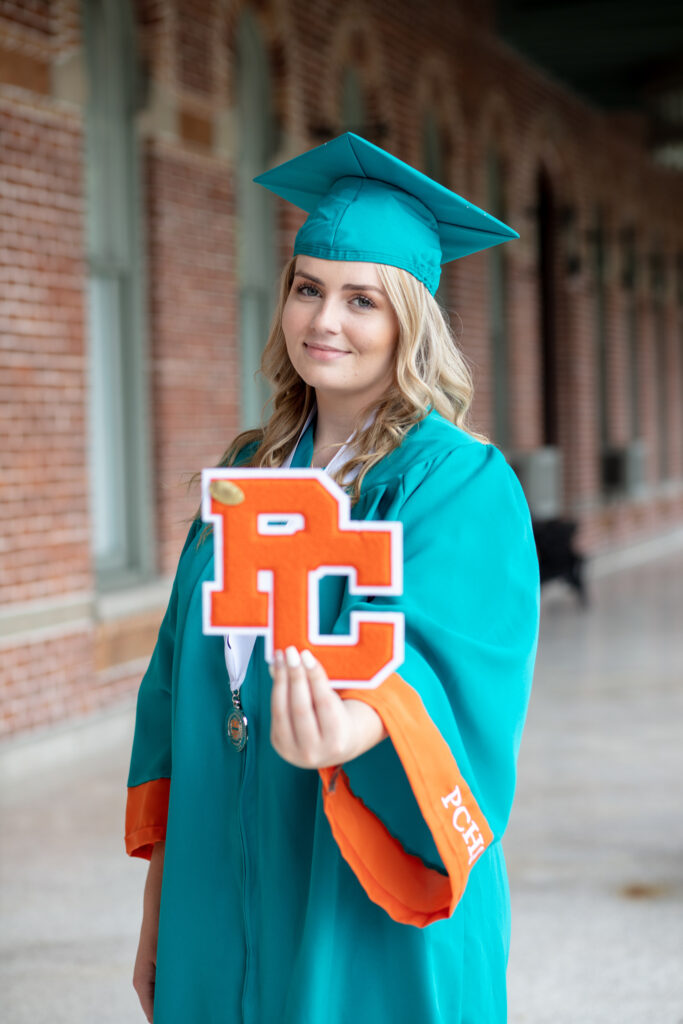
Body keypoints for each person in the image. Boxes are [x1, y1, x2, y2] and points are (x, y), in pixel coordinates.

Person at [125, 132, 541, 1024]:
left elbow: (453, 666)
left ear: (410, 319)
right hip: (224, 877)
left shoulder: (456, 481)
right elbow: (178, 684)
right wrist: (163, 903)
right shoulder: (248, 472)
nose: (325, 320)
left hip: (361, 876)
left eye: (362, 300)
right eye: (308, 288)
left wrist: (357, 726)